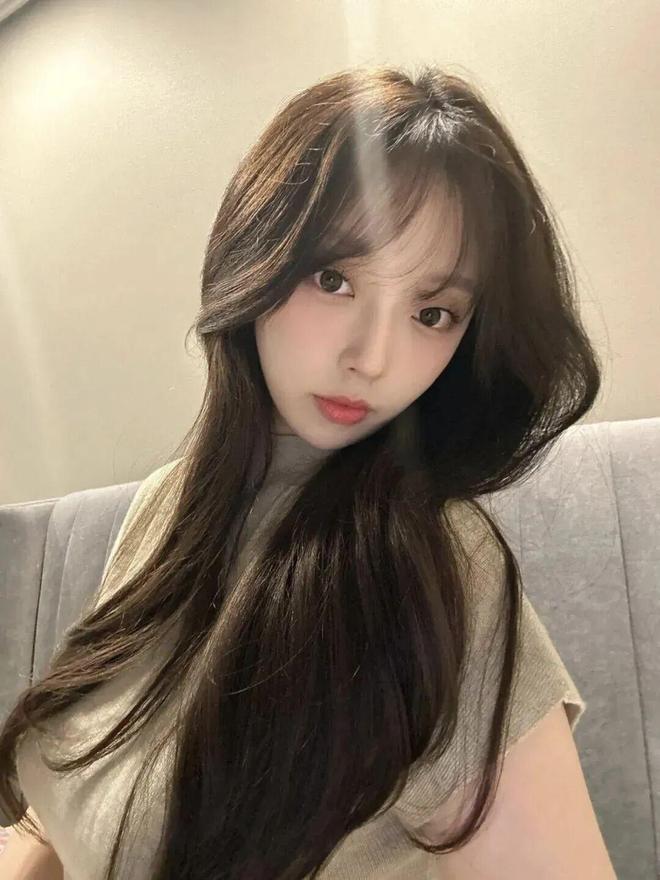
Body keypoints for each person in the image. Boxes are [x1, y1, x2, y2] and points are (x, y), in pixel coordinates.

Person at [0, 64, 616, 879]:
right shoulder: (168, 504)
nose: (373, 357)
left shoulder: (437, 565)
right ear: (254, 255)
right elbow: (61, 807)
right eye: (334, 279)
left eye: (432, 313)